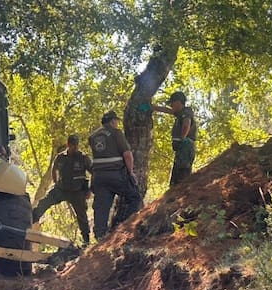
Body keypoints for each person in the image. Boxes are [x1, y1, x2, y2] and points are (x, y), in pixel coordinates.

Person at [88, 110, 141, 240]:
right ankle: (127, 228)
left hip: (99, 178)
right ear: (112, 121)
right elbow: (127, 154)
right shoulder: (116, 133)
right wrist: (130, 173)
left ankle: (100, 238)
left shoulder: (92, 137)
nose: (117, 123)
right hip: (116, 175)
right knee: (134, 197)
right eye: (116, 121)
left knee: (101, 207)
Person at [32, 134, 93, 245]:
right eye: (72, 145)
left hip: (77, 191)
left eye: (76, 145)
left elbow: (94, 172)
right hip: (61, 189)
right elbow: (54, 169)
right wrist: (56, 183)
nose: (75, 147)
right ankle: (31, 220)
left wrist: (89, 190)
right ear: (68, 144)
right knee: (44, 202)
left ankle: (86, 240)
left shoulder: (83, 158)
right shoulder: (61, 157)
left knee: (82, 215)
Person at [142, 91, 197, 186]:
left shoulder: (186, 111)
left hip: (185, 146)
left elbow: (186, 124)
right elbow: (167, 110)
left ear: (178, 102)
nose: (171, 105)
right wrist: (152, 107)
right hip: (181, 148)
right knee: (176, 177)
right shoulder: (179, 113)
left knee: (182, 176)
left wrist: (182, 139)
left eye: (172, 103)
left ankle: (182, 195)